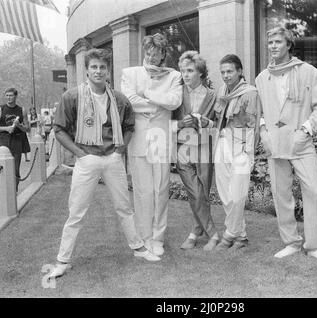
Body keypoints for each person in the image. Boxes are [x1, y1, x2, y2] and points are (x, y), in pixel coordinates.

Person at [49, 48, 160, 279]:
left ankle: (138, 248)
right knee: (76, 211)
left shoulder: (119, 99)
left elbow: (130, 127)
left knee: (124, 207)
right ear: (87, 70)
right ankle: (62, 260)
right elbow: (58, 130)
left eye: (102, 67)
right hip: (86, 158)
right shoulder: (72, 96)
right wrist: (80, 153)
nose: (98, 71)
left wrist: (120, 150)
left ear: (108, 70)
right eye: (94, 67)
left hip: (112, 158)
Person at [255, 27, 317, 265]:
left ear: (289, 44)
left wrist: (306, 131)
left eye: (277, 42)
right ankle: (291, 242)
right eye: (270, 42)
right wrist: (263, 133)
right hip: (275, 143)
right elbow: (259, 113)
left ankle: (315, 246)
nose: (272, 46)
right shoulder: (261, 78)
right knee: (281, 194)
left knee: (314, 191)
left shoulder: (309, 72)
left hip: (301, 142)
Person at [121, 33, 182, 257]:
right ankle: (145, 237)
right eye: (148, 52)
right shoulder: (130, 73)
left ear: (163, 54)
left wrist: (146, 93)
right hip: (138, 140)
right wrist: (157, 104)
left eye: (156, 53)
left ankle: (158, 238)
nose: (151, 57)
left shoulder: (174, 76)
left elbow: (174, 101)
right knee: (142, 191)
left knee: (161, 190)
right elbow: (129, 101)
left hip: (161, 138)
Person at [213, 54, 261, 251]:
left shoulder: (250, 93)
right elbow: (218, 120)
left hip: (241, 144)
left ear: (240, 71)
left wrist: (248, 153)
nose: (225, 75)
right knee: (225, 192)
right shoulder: (222, 91)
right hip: (222, 141)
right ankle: (240, 236)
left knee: (238, 193)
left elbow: (253, 125)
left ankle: (230, 234)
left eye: (230, 71)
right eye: (223, 72)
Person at [172, 51, 219, 251]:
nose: (186, 75)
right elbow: (164, 121)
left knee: (202, 194)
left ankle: (195, 231)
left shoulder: (212, 95)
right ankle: (214, 234)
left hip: (204, 149)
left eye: (190, 70)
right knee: (194, 191)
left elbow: (219, 124)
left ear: (200, 72)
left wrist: (207, 122)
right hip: (183, 149)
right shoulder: (176, 94)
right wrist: (180, 123)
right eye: (183, 71)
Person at [0, 88, 30, 191]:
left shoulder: (22, 110)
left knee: (15, 168)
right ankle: (2, 190)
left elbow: (27, 129)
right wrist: (6, 128)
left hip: (17, 139)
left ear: (16, 96)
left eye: (11, 95)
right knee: (2, 166)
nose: (8, 97)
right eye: (7, 95)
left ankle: (13, 191)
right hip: (2, 139)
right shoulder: (0, 109)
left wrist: (19, 125)